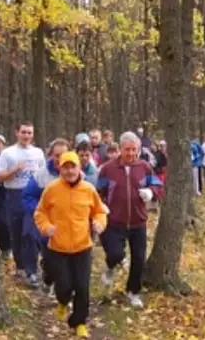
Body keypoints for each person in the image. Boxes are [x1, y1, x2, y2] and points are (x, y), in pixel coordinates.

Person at [35, 151, 107, 338]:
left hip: (83, 246)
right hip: (58, 248)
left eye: (72, 167)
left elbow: (100, 212)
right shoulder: (51, 189)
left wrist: (99, 223)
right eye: (65, 167)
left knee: (82, 286)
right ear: (60, 169)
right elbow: (40, 213)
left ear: (79, 168)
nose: (69, 171)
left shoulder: (88, 189)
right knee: (64, 287)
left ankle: (79, 321)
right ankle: (62, 301)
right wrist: (46, 227)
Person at [97, 132, 164, 309]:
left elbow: (157, 184)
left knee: (139, 259)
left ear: (139, 149)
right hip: (114, 221)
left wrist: (151, 192)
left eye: (134, 149)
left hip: (138, 221)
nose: (131, 153)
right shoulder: (108, 168)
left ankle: (133, 291)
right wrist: (101, 206)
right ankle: (110, 266)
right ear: (120, 149)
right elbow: (98, 192)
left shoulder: (144, 167)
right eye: (127, 149)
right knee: (115, 254)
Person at [0, 121, 46, 286]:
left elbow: (44, 174)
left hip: (33, 196)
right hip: (14, 195)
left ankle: (32, 271)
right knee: (16, 234)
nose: (26, 136)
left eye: (29, 133)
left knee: (30, 233)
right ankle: (21, 267)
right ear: (17, 133)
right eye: (24, 132)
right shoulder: (8, 153)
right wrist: (15, 170)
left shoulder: (38, 153)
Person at [22, 138, 70, 290]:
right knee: (49, 258)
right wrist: (42, 210)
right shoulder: (41, 175)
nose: (60, 159)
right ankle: (47, 277)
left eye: (63, 155)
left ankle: (63, 289)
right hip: (48, 225)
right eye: (57, 155)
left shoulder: (75, 173)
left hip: (69, 224)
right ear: (51, 156)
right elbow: (28, 197)